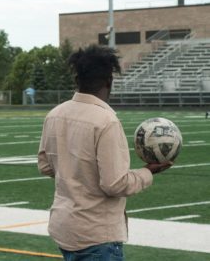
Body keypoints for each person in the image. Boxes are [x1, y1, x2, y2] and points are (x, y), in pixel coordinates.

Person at [38, 45, 173, 261]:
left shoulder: (55, 114)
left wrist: (75, 171)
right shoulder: (106, 121)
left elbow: (45, 165)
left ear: (77, 80)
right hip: (95, 233)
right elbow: (115, 184)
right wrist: (148, 173)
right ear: (109, 81)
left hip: (64, 227)